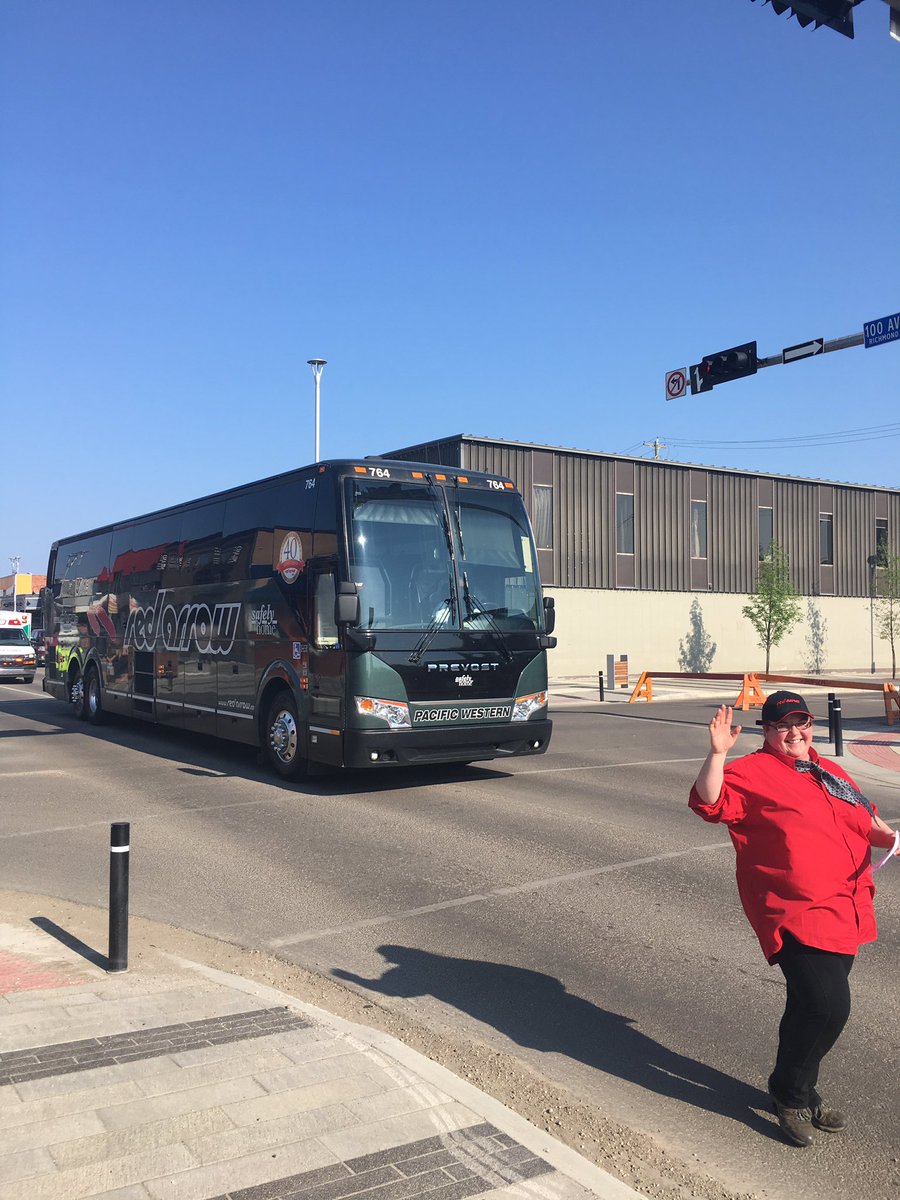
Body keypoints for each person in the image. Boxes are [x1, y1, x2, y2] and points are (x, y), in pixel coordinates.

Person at [689, 690, 900, 1148]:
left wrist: (888, 836)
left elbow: (864, 818)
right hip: (793, 908)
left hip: (843, 905)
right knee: (828, 1005)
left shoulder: (829, 772)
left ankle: (799, 1085)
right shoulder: (750, 772)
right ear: (767, 732)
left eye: (801, 723)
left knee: (810, 1007)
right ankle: (790, 1095)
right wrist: (716, 755)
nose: (795, 733)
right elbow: (711, 803)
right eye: (783, 726)